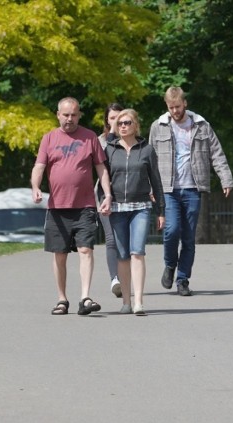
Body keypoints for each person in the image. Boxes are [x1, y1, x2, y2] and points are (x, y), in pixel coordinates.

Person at [149, 86, 233, 296]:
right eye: (171, 107)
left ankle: (183, 279)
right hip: (168, 188)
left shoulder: (201, 125)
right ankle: (170, 265)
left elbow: (216, 153)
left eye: (178, 106)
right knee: (171, 231)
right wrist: (150, 186)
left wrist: (226, 179)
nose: (175, 111)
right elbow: (149, 160)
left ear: (184, 103)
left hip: (193, 188)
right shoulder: (158, 126)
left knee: (188, 237)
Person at [31, 97, 112, 316]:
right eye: (65, 114)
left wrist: (108, 194)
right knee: (60, 253)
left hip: (84, 205)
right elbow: (39, 167)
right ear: (58, 114)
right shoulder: (49, 138)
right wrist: (36, 187)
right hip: (57, 207)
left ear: (79, 115)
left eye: (74, 114)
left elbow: (101, 168)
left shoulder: (90, 137)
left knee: (86, 249)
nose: (69, 119)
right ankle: (61, 299)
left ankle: (85, 297)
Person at [105, 109, 165, 315]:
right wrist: (103, 200)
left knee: (137, 252)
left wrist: (161, 211)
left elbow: (156, 182)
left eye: (127, 122)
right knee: (122, 256)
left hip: (140, 206)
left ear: (136, 125)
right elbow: (104, 179)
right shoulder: (110, 150)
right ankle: (126, 302)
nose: (122, 126)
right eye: (119, 122)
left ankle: (139, 302)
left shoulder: (146, 150)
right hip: (117, 208)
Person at [96, 102, 124, 298]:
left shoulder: (132, 139)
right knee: (111, 238)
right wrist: (113, 134)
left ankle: (126, 277)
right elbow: (105, 162)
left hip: (127, 194)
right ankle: (115, 279)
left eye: (119, 118)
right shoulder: (101, 141)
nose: (115, 122)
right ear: (107, 120)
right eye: (112, 118)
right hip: (105, 194)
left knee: (125, 240)